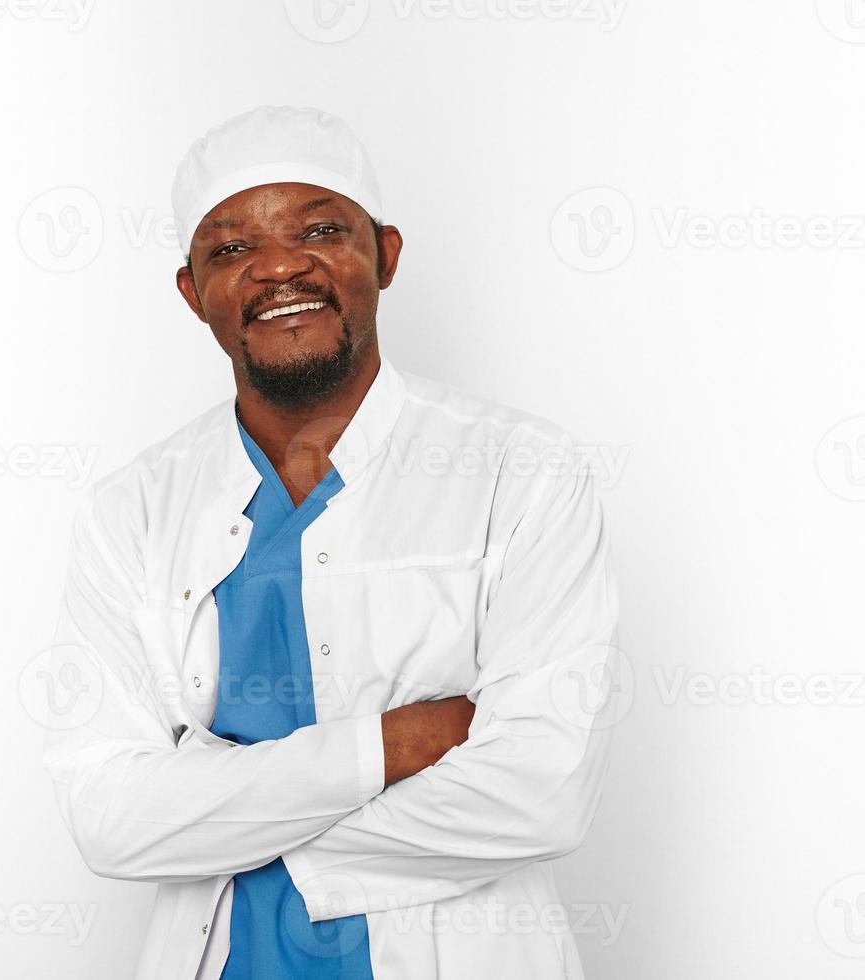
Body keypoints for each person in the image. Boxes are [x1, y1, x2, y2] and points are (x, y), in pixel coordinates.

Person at [41, 104, 622, 979]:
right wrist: (389, 746)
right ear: (192, 292)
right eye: (231, 247)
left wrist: (218, 817)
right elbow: (110, 818)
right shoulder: (131, 511)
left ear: (385, 255)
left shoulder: (523, 473)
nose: (280, 265)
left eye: (321, 228)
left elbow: (543, 793)